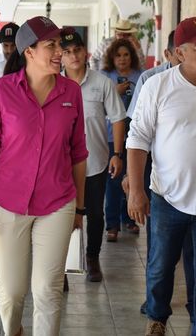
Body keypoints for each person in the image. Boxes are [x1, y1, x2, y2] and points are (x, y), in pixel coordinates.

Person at [0, 16, 88, 336]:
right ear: (29, 52)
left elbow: (78, 153)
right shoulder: (0, 92)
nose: (58, 52)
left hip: (58, 202)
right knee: (11, 292)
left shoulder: (71, 93)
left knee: (47, 290)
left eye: (59, 45)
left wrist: (79, 207)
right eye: (50, 45)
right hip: (8, 202)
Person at [127, 17, 196, 336]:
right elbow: (138, 138)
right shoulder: (158, 86)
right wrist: (136, 190)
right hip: (167, 199)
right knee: (160, 268)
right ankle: (157, 316)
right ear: (179, 52)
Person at [122, 29, 194, 318]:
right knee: (161, 245)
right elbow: (136, 131)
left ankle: (195, 303)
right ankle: (155, 306)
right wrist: (134, 180)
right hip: (154, 162)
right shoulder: (151, 80)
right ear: (171, 54)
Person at [60, 31, 126, 282]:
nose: (73, 56)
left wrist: (117, 154)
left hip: (95, 163)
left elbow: (118, 118)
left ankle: (92, 257)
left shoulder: (102, 83)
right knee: (62, 217)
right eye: (66, 52)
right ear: (61, 57)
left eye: (76, 50)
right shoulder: (54, 83)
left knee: (96, 215)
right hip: (61, 167)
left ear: (85, 52)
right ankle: (62, 266)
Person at [101, 38, 142, 241]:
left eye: (126, 55)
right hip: (111, 135)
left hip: (135, 135)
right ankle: (112, 224)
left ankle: (130, 219)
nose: (123, 59)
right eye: (118, 55)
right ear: (112, 58)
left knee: (132, 177)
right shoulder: (105, 77)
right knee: (113, 180)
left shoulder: (140, 76)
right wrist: (114, 94)